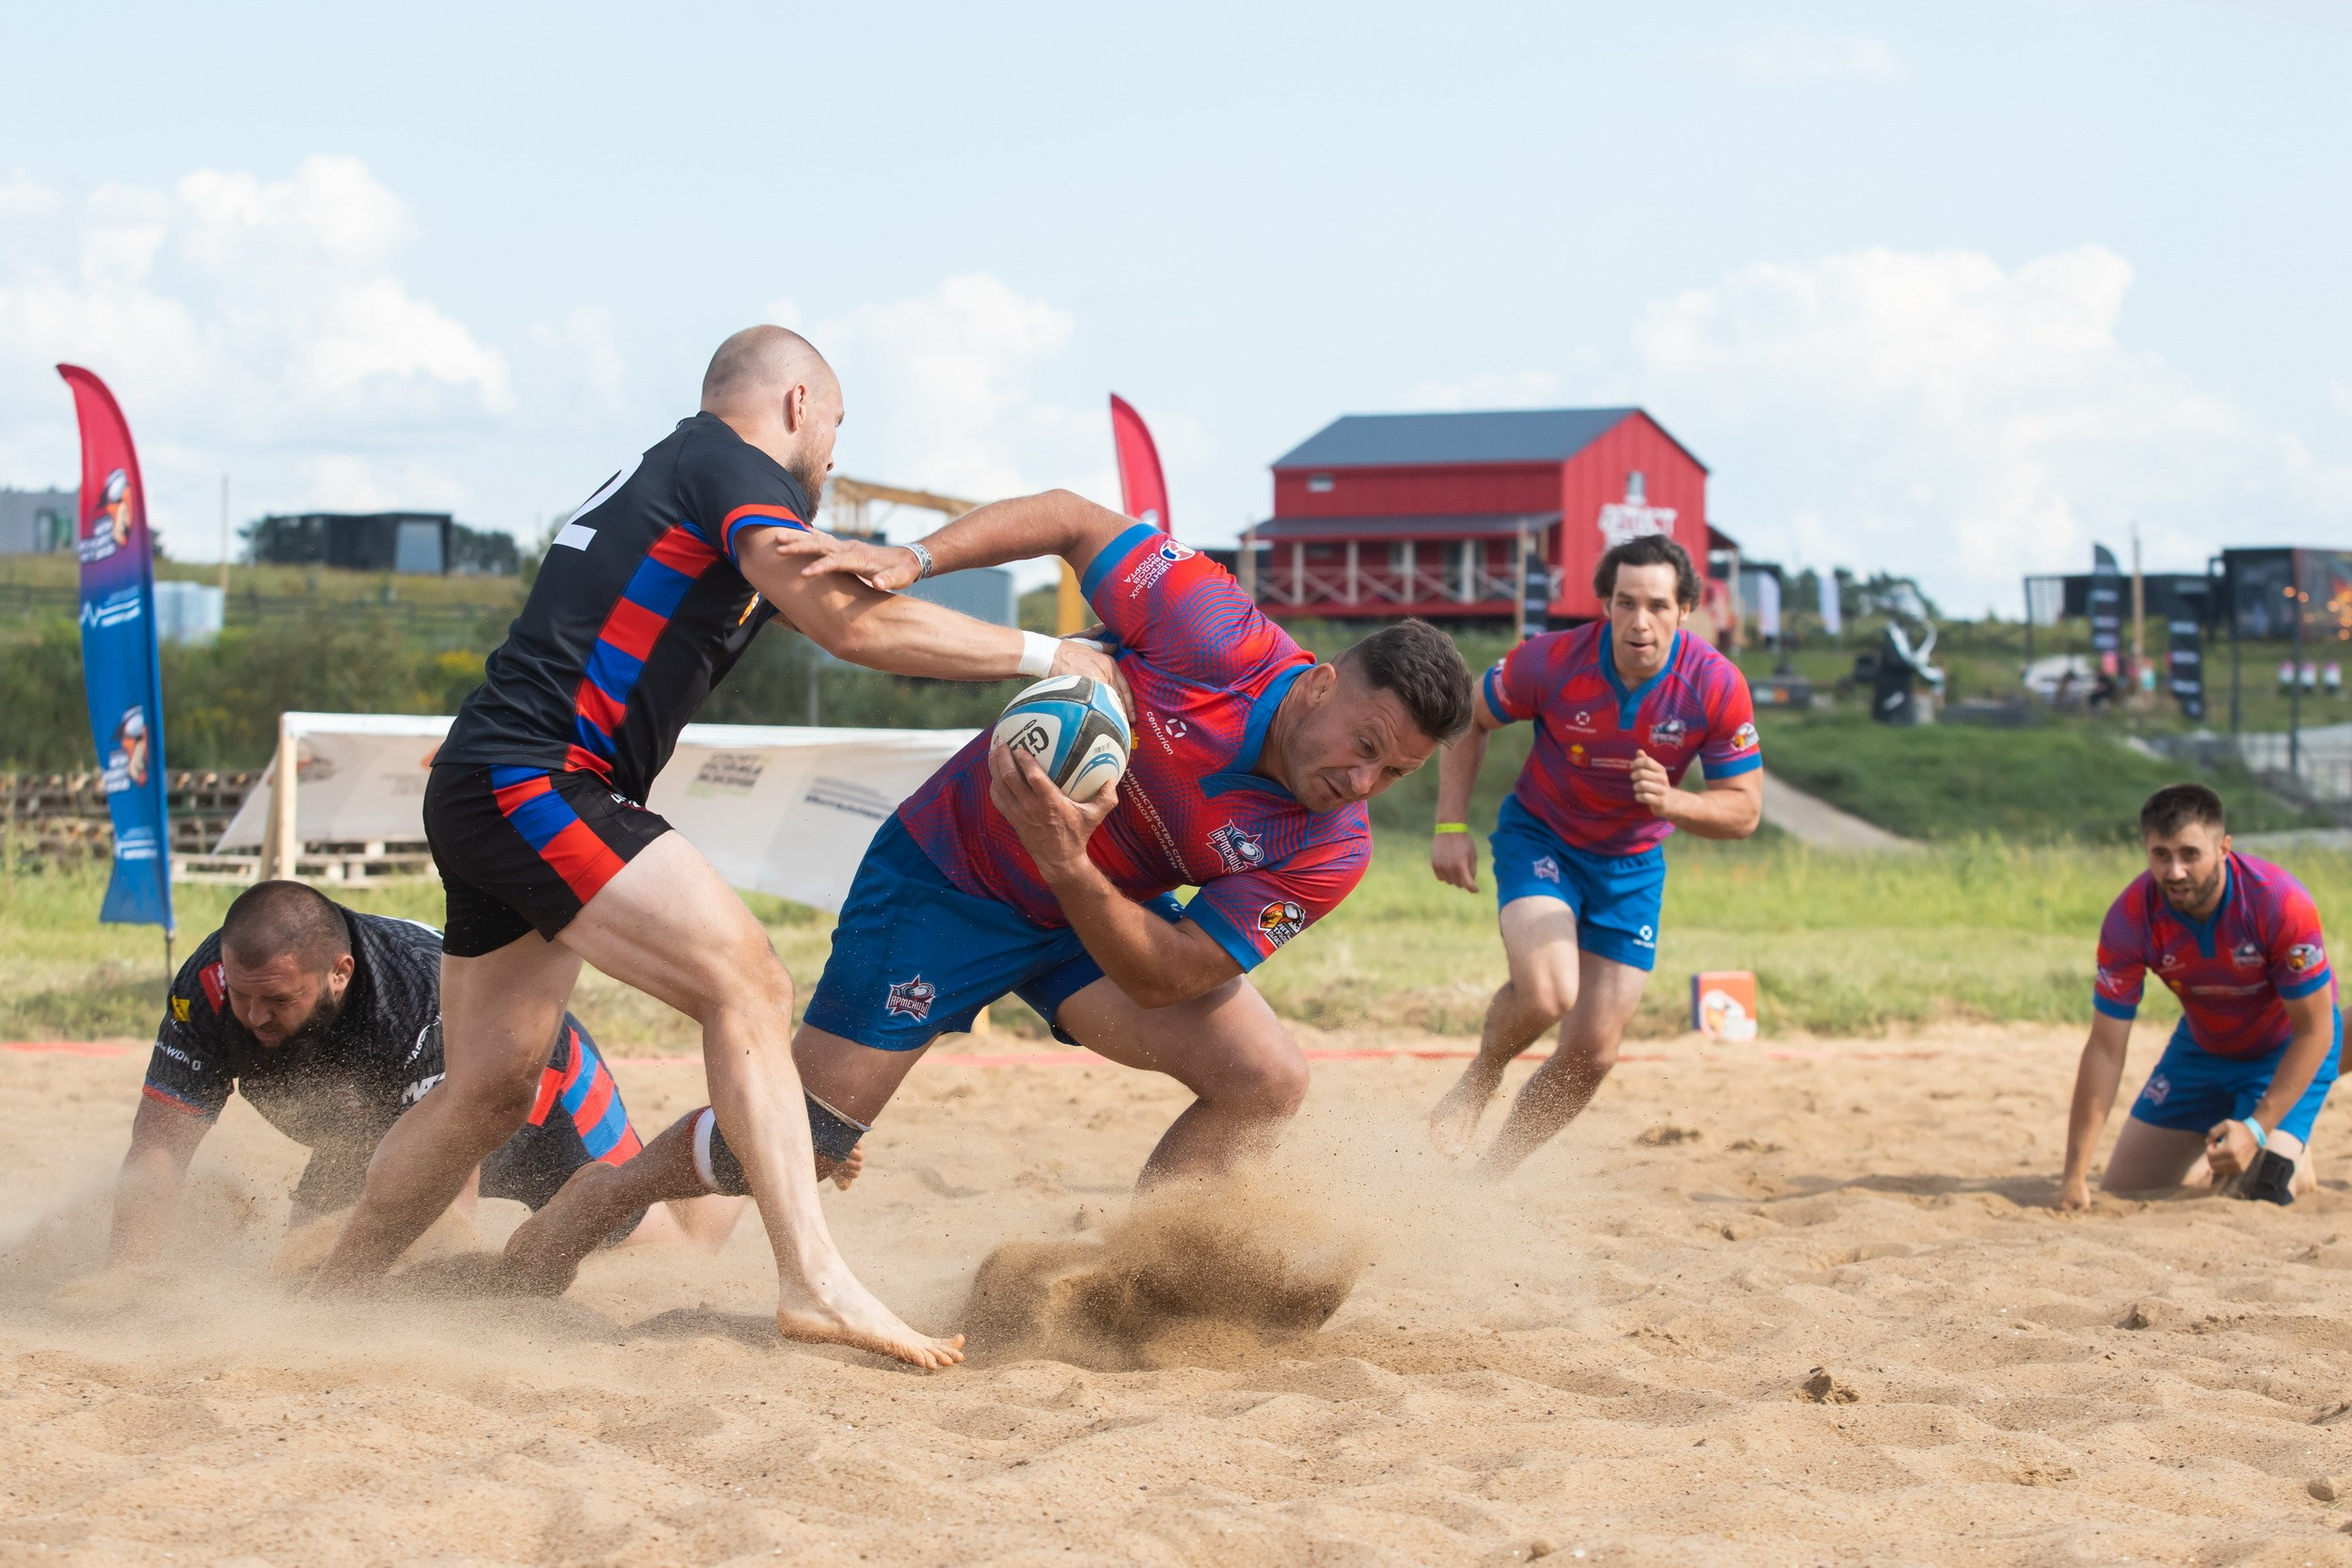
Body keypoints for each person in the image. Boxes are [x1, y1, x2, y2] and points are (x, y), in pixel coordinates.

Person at [312, 326, 1119, 1370]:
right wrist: (1054, 653)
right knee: (748, 983)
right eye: (833, 427)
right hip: (538, 778)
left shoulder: (682, 475)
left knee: (492, 1089)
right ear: (794, 405)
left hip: (497, 781)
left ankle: (327, 1299)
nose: (831, 456)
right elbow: (853, 630)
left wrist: (905, 570)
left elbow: (845, 605)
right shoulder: (728, 466)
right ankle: (815, 1280)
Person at [495, 492, 1474, 1289]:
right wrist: (912, 558)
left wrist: (1068, 865)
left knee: (1268, 1081)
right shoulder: (1213, 632)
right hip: (945, 878)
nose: (1363, 784)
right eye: (1364, 747)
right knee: (808, 1132)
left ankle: (1133, 1275)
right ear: (1320, 683)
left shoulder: (1331, 843)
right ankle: (603, 1196)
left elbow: (1173, 972)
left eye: (1394, 775)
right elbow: (1069, 518)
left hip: (1090, 914)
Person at [111, 880, 733, 1264]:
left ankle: (737, 1139)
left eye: (278, 1000)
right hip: (376, 1125)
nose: (253, 1015)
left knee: (667, 1250)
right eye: (244, 995)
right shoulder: (210, 990)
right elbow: (160, 1143)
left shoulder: (417, 990)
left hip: (539, 1088)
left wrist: (405, 1310)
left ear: (340, 972)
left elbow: (448, 1184)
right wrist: (125, 1273)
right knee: (301, 1259)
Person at [1425, 533, 1764, 1176]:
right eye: (1625, 603)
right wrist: (1449, 824)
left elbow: (1743, 810)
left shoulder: (1715, 685)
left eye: (1658, 605)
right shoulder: (1551, 661)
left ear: (1686, 609)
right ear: (1605, 604)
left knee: (1594, 1052)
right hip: (1543, 839)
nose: (1641, 622)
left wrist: (1675, 803)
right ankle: (1480, 1077)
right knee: (1552, 990)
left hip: (1631, 867)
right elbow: (1470, 714)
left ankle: (1492, 1173)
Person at [2057, 784, 2339, 1209]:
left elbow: (2316, 1030)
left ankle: (2289, 1144)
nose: (2174, 871)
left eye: (2190, 854)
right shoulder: (2130, 917)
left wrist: (2258, 1129)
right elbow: (2105, 1048)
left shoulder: (2279, 902)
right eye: (2161, 855)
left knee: (2260, 1192)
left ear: (2224, 847)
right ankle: (2261, 1136)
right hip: (2201, 1051)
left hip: (2282, 1051)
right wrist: (2074, 1174)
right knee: (2124, 1189)